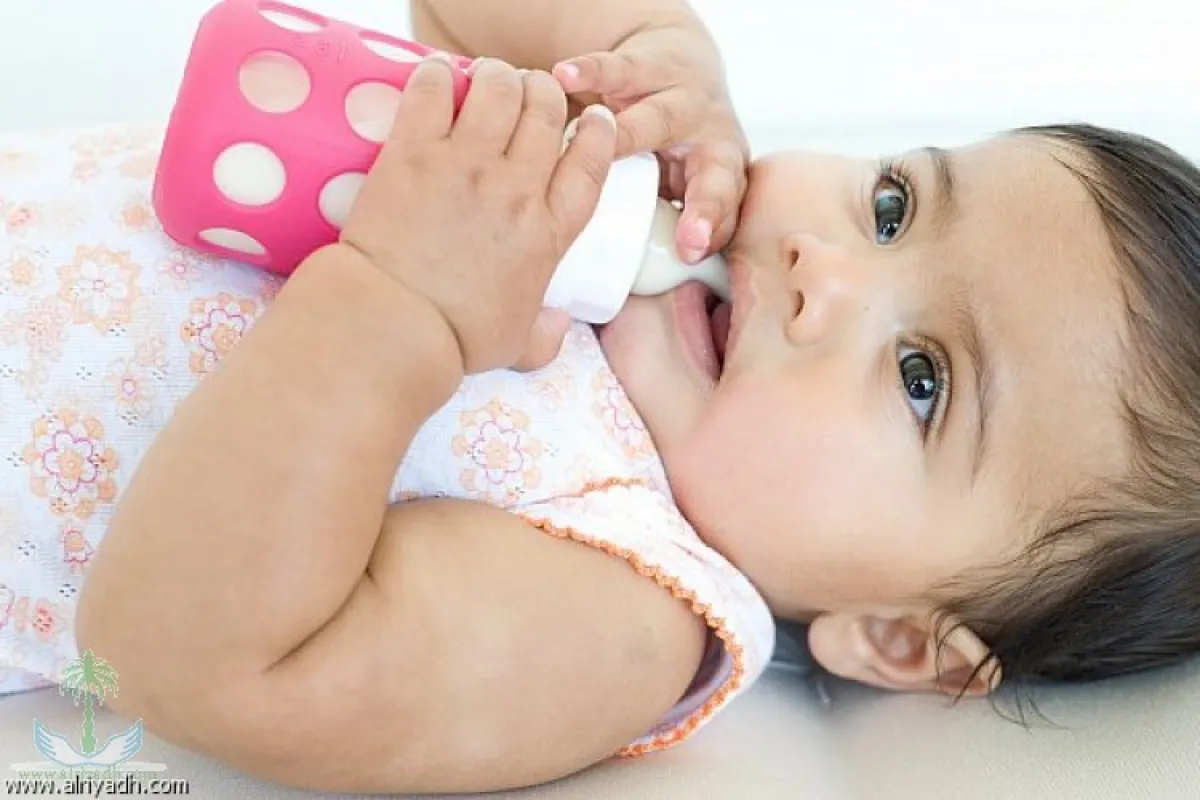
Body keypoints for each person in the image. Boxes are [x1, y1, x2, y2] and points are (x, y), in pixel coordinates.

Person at [2, 0, 1200, 794]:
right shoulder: (617, 190)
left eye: (922, 377)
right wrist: (641, 46)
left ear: (897, 635)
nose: (823, 267)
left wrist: (398, 306)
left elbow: (188, 662)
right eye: (893, 206)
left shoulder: (625, 598)